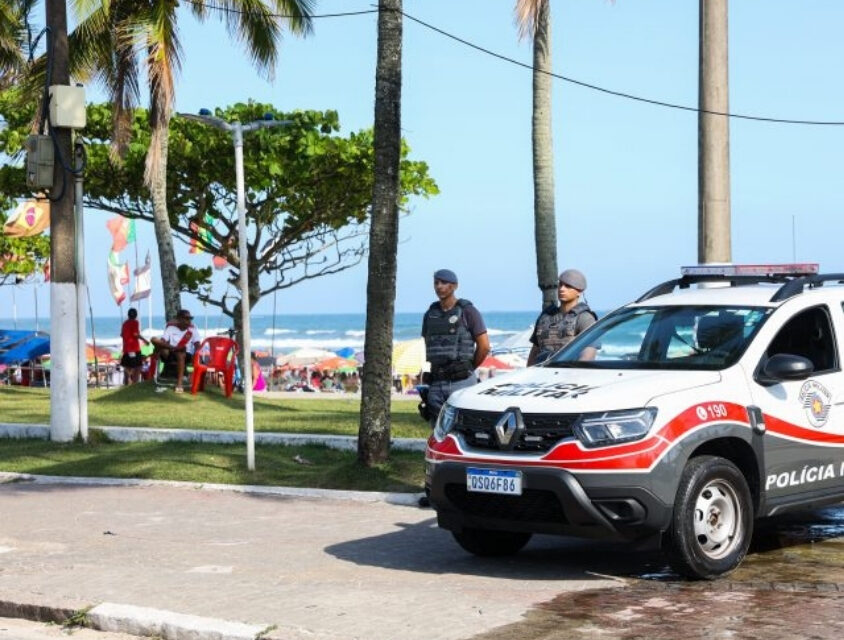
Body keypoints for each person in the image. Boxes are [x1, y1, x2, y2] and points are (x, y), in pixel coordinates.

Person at [422, 268, 490, 424]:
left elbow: (484, 346)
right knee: (438, 431)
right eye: (436, 283)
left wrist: (469, 367)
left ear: (454, 286)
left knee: (465, 428)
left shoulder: (468, 311)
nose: (439, 286)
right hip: (437, 383)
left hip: (462, 381)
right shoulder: (430, 314)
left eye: (444, 282)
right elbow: (428, 343)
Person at [527, 268, 598, 366]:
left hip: (567, 374)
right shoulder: (545, 317)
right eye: (560, 285)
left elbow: (588, 355)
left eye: (568, 286)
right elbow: (535, 350)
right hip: (541, 374)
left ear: (579, 291)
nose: (562, 289)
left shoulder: (585, 318)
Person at [150, 309, 201, 393]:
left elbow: (197, 345)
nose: (189, 321)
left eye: (190, 319)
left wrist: (198, 355)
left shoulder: (193, 331)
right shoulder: (170, 328)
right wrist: (172, 348)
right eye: (186, 319)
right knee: (154, 339)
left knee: (180, 354)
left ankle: (179, 384)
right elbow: (162, 342)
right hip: (171, 352)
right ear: (179, 319)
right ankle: (175, 348)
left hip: (186, 355)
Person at [120, 307, 149, 384]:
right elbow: (135, 334)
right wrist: (145, 340)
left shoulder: (125, 323)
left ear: (128, 315)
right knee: (138, 366)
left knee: (127, 366)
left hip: (126, 348)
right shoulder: (135, 322)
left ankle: (126, 382)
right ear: (136, 315)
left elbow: (122, 335)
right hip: (134, 348)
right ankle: (135, 383)